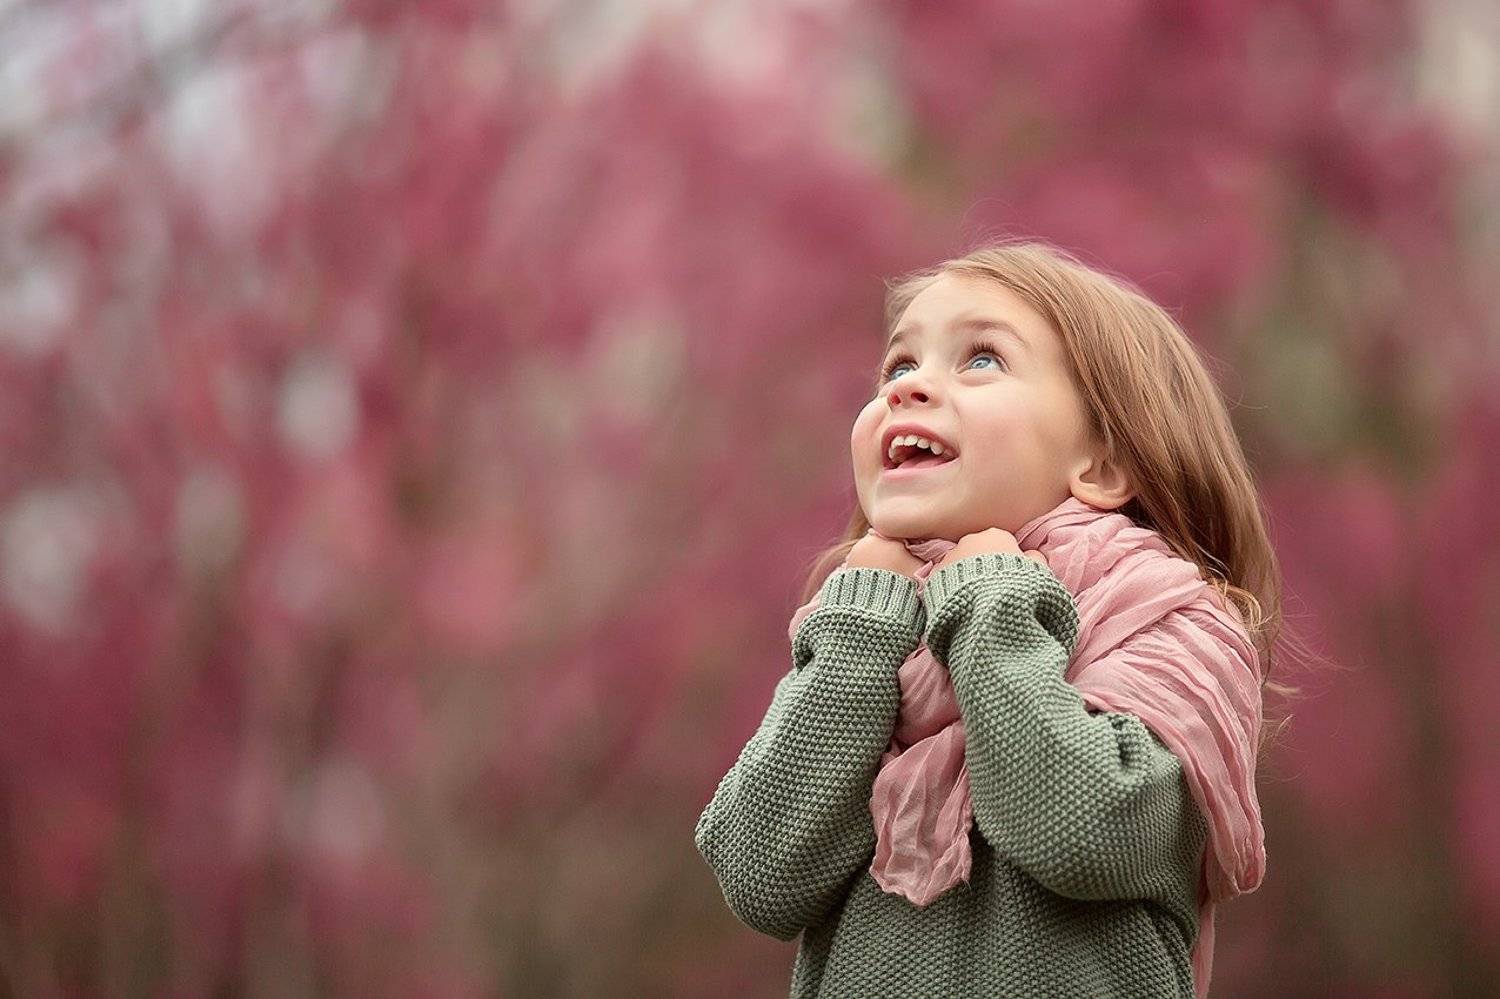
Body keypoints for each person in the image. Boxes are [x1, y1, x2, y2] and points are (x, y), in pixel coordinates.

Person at [694, 238, 1295, 998]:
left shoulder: (1175, 627)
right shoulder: (870, 632)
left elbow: (1082, 828)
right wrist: (856, 632)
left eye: (981, 359)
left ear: (1103, 465)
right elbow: (758, 874)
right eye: (899, 366)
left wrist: (987, 596)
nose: (908, 390)